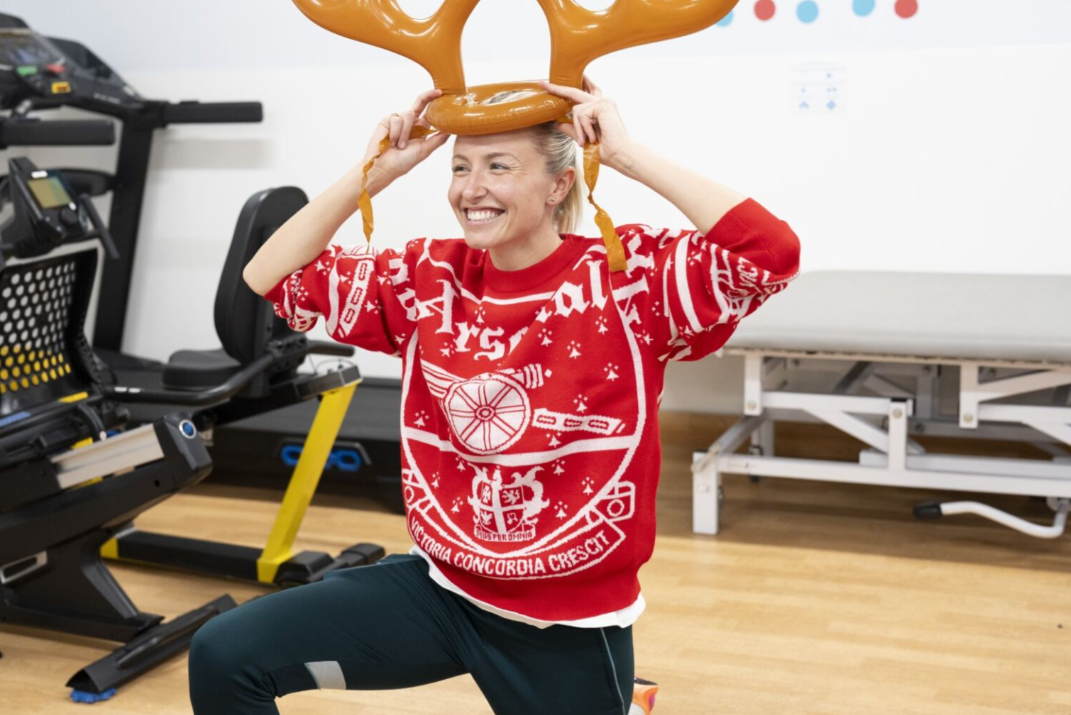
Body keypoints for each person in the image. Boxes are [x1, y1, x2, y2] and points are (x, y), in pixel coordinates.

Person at [188, 76, 800, 715]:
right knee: (226, 654)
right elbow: (267, 273)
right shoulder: (429, 277)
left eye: (498, 167)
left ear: (559, 183)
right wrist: (373, 174)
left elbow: (770, 253)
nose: (470, 189)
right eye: (459, 167)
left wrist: (625, 156)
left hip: (564, 622)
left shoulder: (629, 283)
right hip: (442, 589)